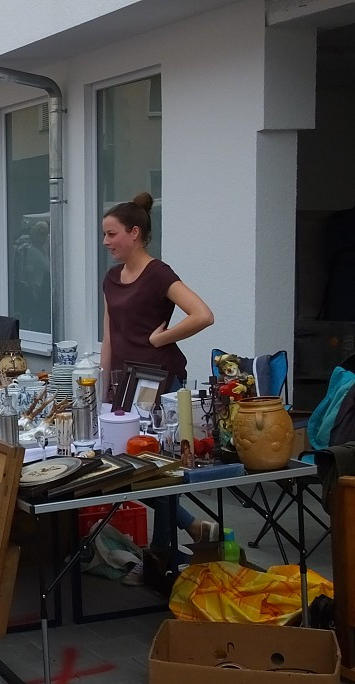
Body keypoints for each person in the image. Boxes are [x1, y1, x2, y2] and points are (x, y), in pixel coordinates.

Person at [100, 191, 217, 551]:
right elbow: (109, 337)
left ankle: (161, 554)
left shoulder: (158, 274)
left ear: (135, 233)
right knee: (119, 470)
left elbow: (203, 314)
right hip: (124, 385)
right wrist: (103, 392)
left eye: (112, 234)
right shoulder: (111, 278)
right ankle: (194, 527)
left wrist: (162, 337)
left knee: (155, 472)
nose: (106, 242)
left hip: (159, 382)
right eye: (104, 235)